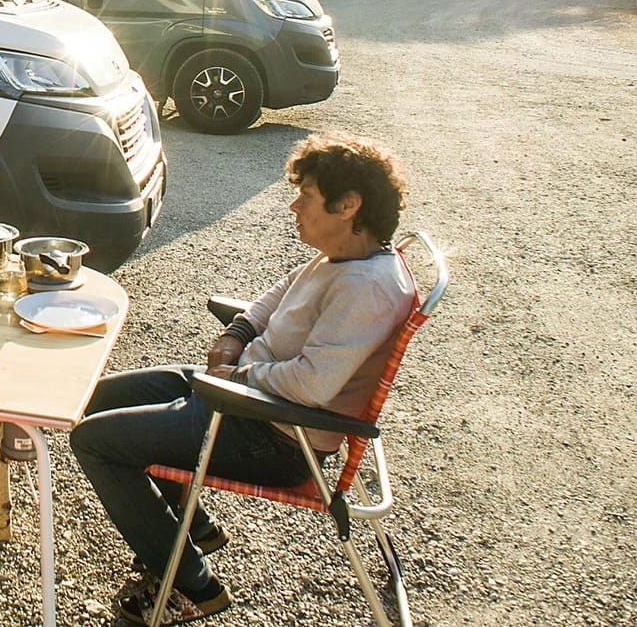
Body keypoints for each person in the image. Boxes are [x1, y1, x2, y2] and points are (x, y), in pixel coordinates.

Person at [70, 133, 415, 624]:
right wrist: (236, 335)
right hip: (241, 396)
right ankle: (198, 530)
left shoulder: (367, 289)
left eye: (308, 197)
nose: (295, 206)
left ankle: (192, 586)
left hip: (275, 434)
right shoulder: (342, 256)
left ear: (349, 205)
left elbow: (313, 385)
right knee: (90, 399)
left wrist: (237, 373)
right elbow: (277, 295)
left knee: (95, 442)